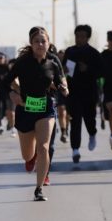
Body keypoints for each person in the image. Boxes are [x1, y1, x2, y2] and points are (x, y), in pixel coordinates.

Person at [6, 26, 67, 201]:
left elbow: (61, 80)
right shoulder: (22, 62)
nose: (40, 44)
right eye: (36, 41)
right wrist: (13, 93)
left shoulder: (53, 61)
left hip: (46, 108)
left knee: (44, 147)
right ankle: (31, 158)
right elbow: (5, 82)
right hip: (25, 109)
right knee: (27, 154)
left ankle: (39, 188)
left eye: (43, 41)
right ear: (31, 44)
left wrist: (64, 88)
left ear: (48, 43)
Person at [62, 24, 102, 164]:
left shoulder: (94, 53)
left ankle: (92, 133)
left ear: (87, 38)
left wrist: (88, 69)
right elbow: (63, 68)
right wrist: (65, 70)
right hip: (73, 92)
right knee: (75, 121)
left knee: (89, 119)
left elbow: (101, 72)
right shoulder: (70, 51)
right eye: (77, 36)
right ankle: (75, 150)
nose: (79, 39)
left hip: (89, 92)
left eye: (82, 36)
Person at [0, 51, 15, 136]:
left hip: (8, 91)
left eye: (1, 57)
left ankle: (11, 126)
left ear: (4, 58)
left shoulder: (8, 67)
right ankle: (0, 125)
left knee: (10, 111)